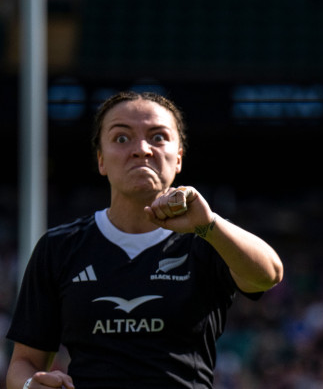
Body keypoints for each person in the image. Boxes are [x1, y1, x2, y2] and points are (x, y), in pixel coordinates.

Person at [6, 91, 284, 389]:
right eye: (122, 138)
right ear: (101, 160)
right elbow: (24, 363)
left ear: (178, 158)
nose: (141, 149)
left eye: (158, 137)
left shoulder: (207, 236)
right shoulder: (59, 247)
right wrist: (29, 386)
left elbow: (268, 276)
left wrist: (210, 225)